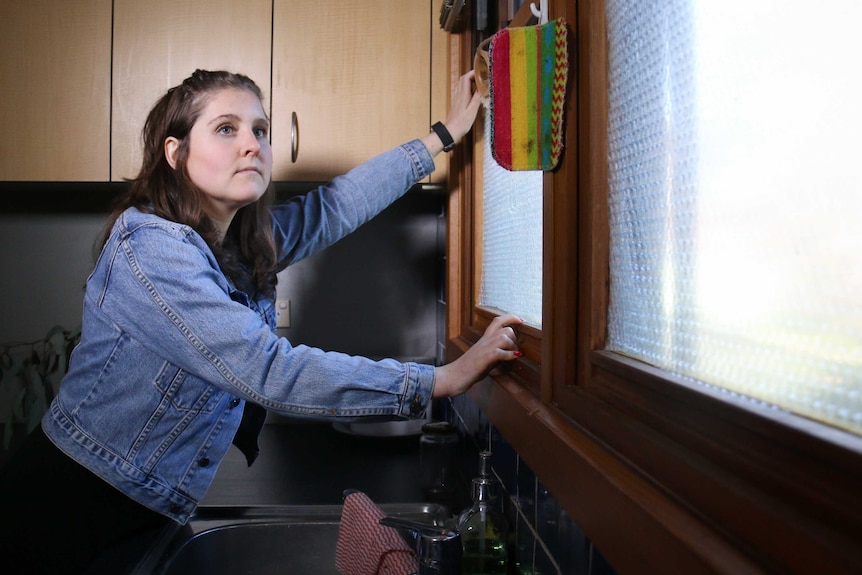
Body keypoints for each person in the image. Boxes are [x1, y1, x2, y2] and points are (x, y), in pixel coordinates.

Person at [0, 69, 522, 574]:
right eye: (226, 128)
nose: (252, 144)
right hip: (68, 507)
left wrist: (442, 137)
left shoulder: (238, 244)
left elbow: (336, 207)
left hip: (141, 506)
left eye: (260, 130)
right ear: (175, 153)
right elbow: (267, 369)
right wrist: (440, 380)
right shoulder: (151, 249)